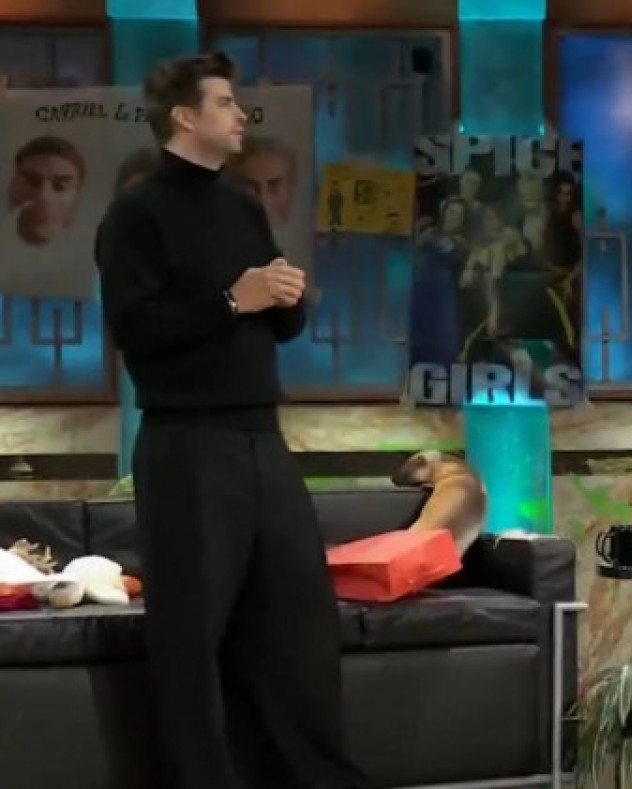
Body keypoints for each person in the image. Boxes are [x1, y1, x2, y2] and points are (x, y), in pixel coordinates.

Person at [93, 52, 366, 789]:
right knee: (191, 636)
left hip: (261, 440)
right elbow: (135, 328)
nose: (240, 114)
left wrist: (285, 296)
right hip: (186, 444)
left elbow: (279, 323)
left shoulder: (242, 207)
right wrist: (231, 300)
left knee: (299, 624)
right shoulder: (134, 214)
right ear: (185, 117)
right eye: (224, 103)